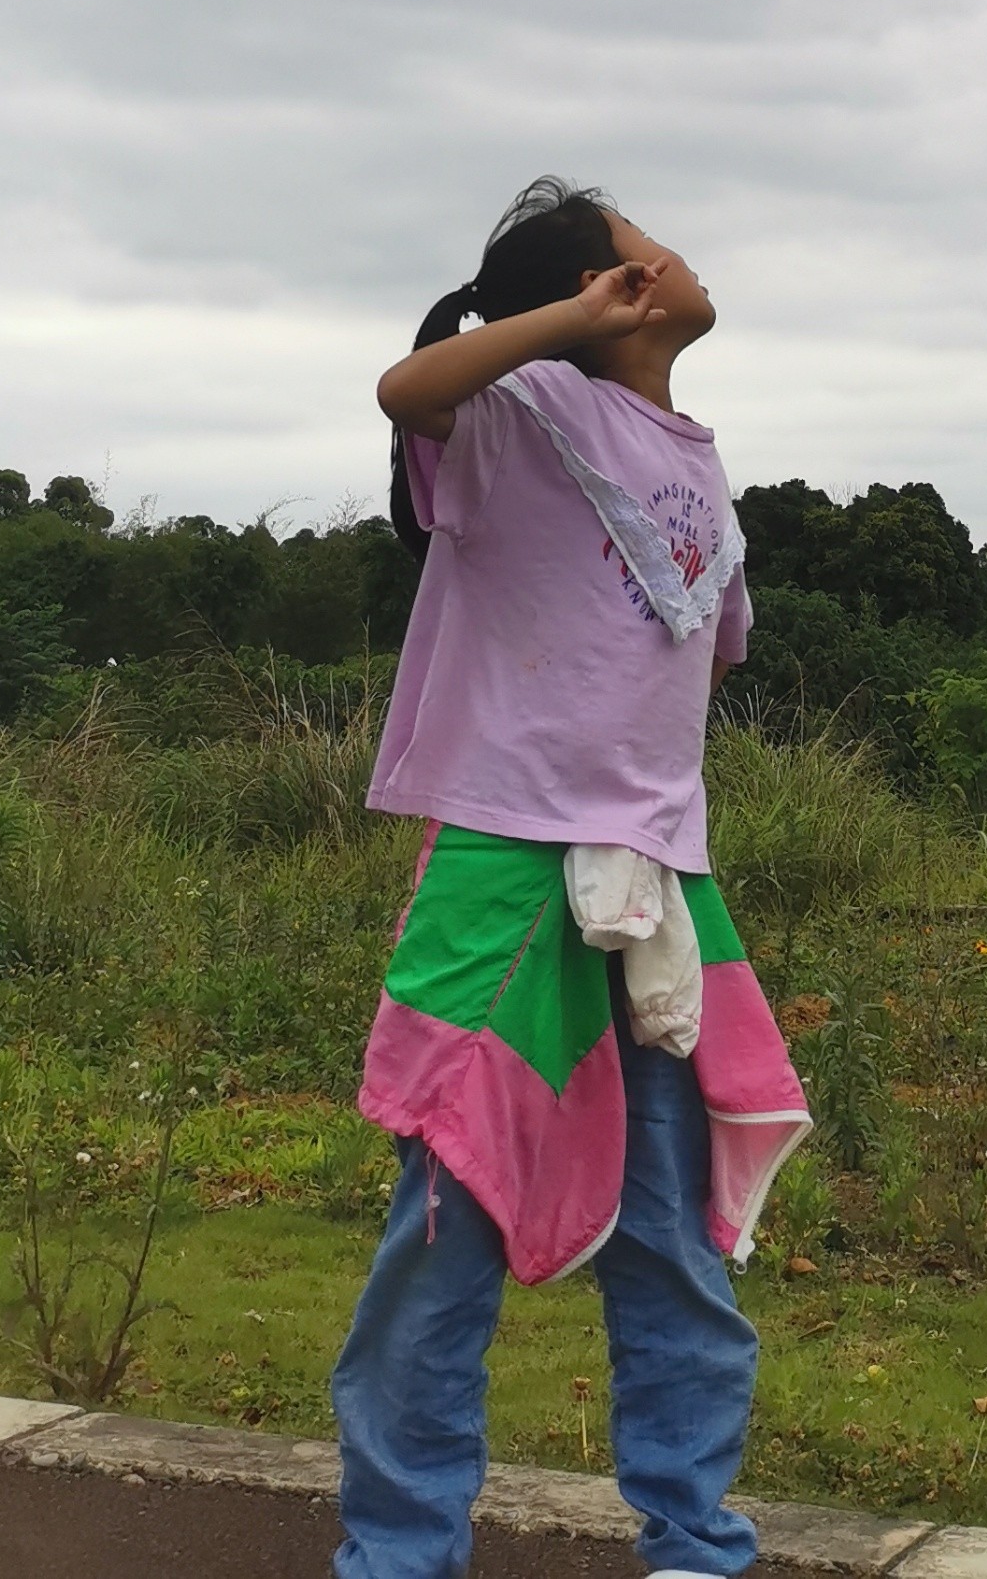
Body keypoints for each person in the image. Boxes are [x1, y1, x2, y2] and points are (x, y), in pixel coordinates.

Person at [332, 177, 808, 1579]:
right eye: (639, 240)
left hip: (661, 878)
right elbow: (403, 383)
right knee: (445, 1234)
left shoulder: (695, 455)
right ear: (614, 291)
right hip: (505, 858)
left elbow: (694, 650)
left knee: (670, 1238)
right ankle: (399, 1556)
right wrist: (552, 327)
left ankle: (694, 1546)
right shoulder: (518, 418)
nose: (671, 249)